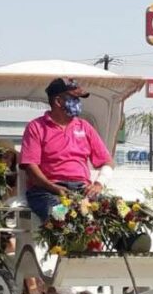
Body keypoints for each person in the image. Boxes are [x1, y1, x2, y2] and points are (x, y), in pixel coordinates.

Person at [20, 77, 114, 220]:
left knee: (112, 212)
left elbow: (108, 162)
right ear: (58, 101)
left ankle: (127, 242)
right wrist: (54, 188)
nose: (78, 103)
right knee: (61, 216)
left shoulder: (85, 127)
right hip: (46, 191)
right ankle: (62, 240)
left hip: (81, 189)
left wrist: (98, 184)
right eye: (74, 99)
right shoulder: (36, 127)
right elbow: (30, 167)